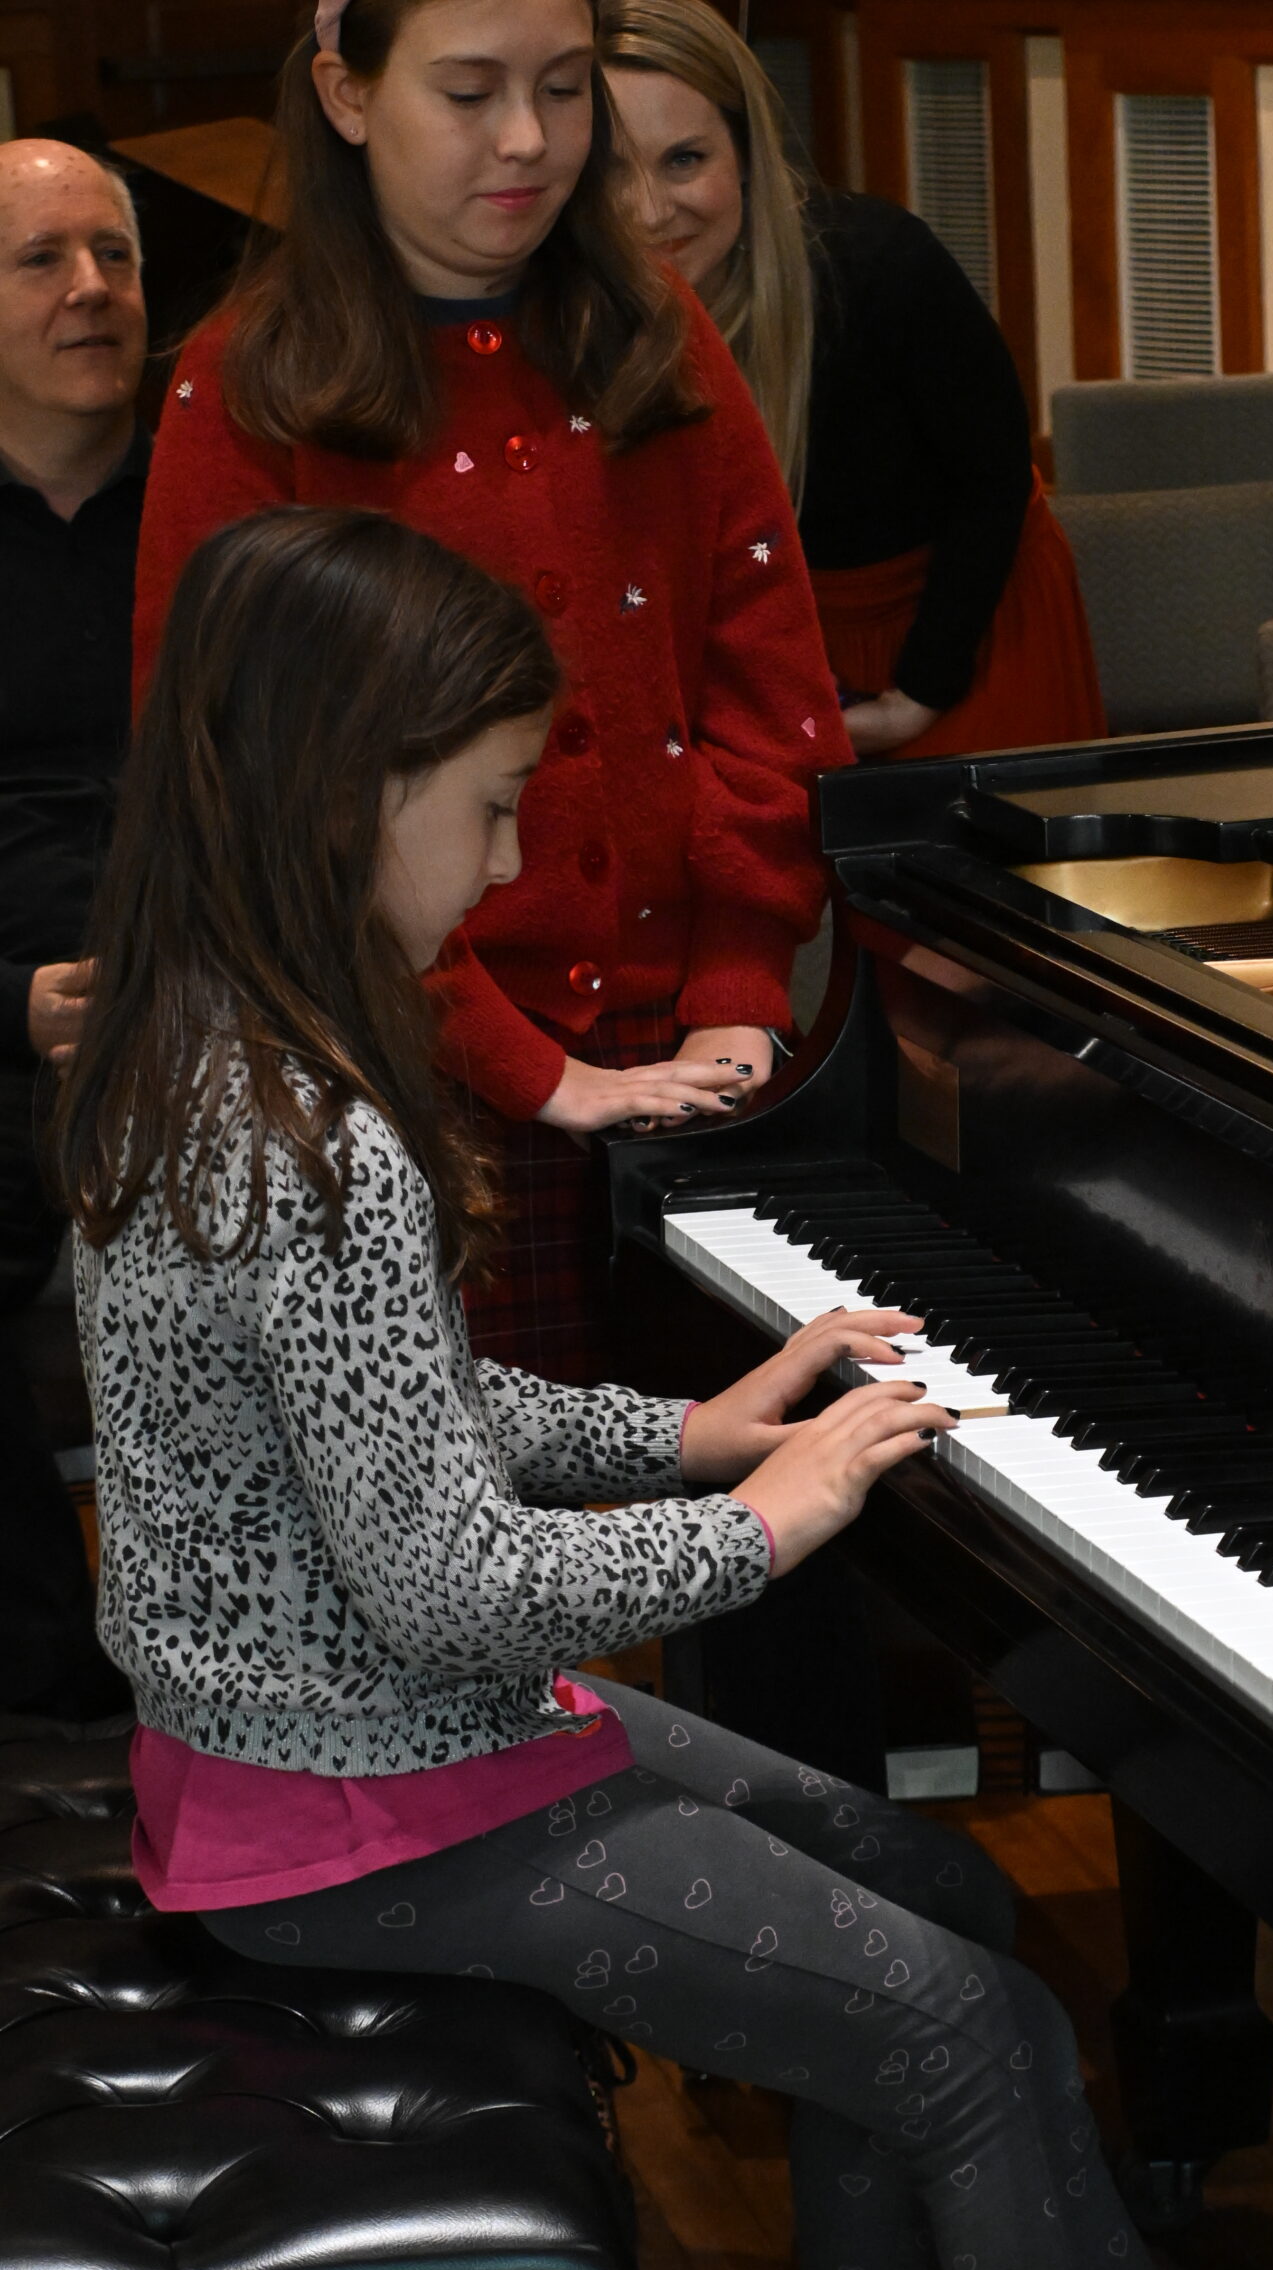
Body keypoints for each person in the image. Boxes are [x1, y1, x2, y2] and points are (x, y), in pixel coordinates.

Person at [63, 503, 1273, 2270]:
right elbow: (440, 1587)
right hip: (363, 1804)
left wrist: (691, 1429)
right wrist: (766, 1523)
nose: (506, 866)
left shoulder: (204, 1051)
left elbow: (397, 1417)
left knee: (938, 1894)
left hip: (325, 1755)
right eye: (491, 806)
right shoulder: (307, 1137)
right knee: (974, 2027)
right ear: (349, 790)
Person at [133, 0, 849, 1386]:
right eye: (469, 95)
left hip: (686, 1041)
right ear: (346, 95)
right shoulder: (251, 379)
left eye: (565, 89)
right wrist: (522, 1066)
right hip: (390, 1066)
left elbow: (773, 683)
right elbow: (241, 790)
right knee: (479, 1495)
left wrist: (739, 983)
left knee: (736, 1463)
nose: (528, 140)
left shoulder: (660, 332)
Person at [599, 0, 1107, 762]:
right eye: (611, 171)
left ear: (747, 154)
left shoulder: (881, 267)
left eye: (684, 160)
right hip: (764, 645)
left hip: (960, 627)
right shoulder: (562, 308)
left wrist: (919, 696)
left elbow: (992, 479)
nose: (646, 211)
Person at [0, 138, 148, 1723]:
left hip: (226, 1017)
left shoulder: (217, 497)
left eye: (114, 255)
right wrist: (12, 1003)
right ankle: (55, 1709)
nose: (92, 288)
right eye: (42, 258)